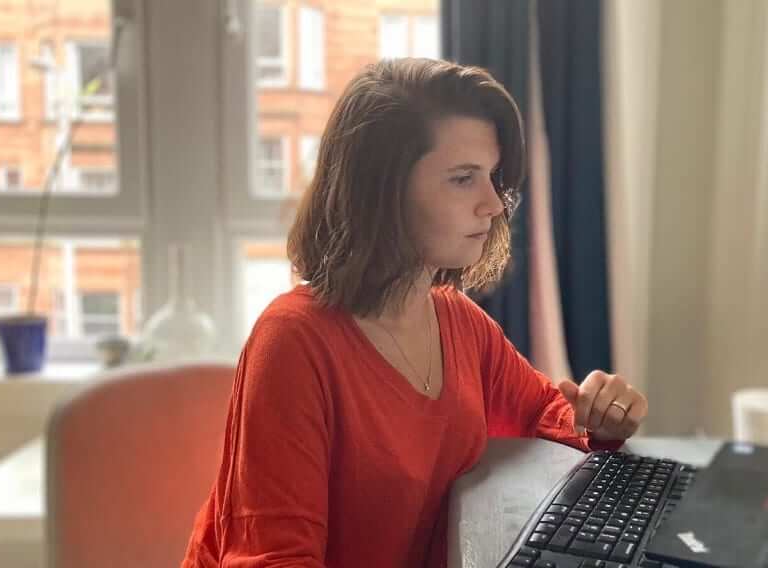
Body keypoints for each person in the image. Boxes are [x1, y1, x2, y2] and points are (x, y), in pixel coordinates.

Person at [181, 58, 648, 568]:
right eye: (463, 178)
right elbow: (274, 559)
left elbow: (548, 414)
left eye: (492, 177)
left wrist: (598, 416)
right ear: (381, 191)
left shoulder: (458, 320)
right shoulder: (294, 342)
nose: (493, 204)